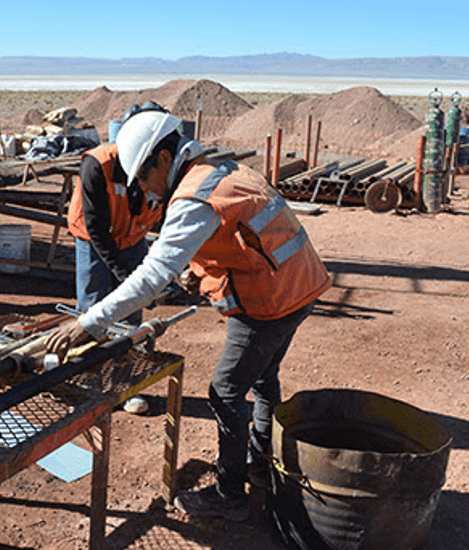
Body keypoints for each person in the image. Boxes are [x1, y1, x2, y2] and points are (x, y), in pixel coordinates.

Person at [46, 111, 331, 522]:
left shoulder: (194, 196)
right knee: (264, 380)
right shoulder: (221, 170)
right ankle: (258, 464)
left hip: (271, 300)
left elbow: (150, 278)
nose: (142, 188)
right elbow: (240, 239)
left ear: (164, 158)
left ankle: (231, 493)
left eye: (143, 176)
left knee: (226, 392)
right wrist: (197, 273)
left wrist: (87, 322)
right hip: (300, 285)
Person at [66, 102, 167, 414]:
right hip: (94, 240)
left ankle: (125, 384)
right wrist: (128, 278)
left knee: (130, 315)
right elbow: (98, 231)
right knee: (93, 308)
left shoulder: (164, 166)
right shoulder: (97, 165)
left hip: (133, 237)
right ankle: (89, 384)